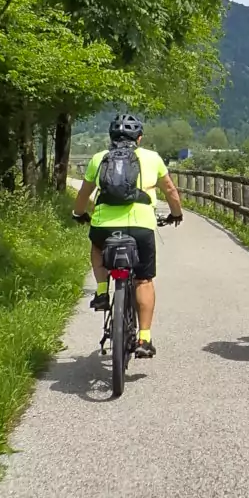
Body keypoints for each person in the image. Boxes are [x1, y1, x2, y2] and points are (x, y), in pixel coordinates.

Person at [72, 113, 183, 358]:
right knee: (143, 280)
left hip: (104, 226)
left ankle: (102, 291)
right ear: (139, 138)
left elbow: (84, 193)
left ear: (111, 137)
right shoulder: (152, 158)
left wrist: (79, 213)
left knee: (97, 248)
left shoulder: (99, 158)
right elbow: (171, 191)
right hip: (141, 227)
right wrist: (176, 214)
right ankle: (144, 338)